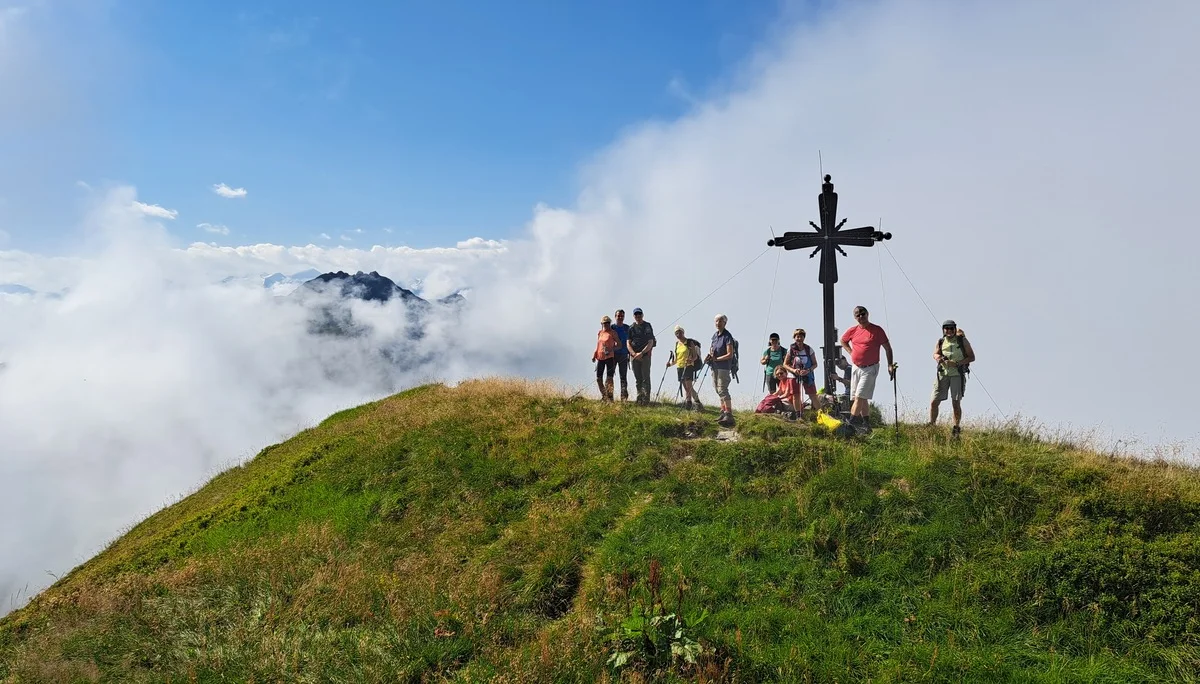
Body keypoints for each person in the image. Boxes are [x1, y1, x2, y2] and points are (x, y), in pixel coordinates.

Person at [839, 305, 895, 429]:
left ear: (867, 314)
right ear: (855, 317)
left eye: (863, 314)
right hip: (856, 367)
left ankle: (850, 423)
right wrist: (850, 352)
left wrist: (890, 365)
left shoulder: (877, 330)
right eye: (858, 315)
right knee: (860, 397)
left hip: (870, 367)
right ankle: (866, 424)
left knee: (859, 396)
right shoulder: (853, 330)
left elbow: (887, 348)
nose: (861, 317)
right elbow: (843, 340)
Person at [929, 319, 976, 437]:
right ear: (943, 330)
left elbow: (972, 357)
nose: (949, 330)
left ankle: (956, 427)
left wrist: (958, 363)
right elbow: (935, 353)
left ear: (955, 329)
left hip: (957, 375)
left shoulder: (962, 341)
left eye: (951, 328)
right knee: (934, 401)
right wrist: (939, 358)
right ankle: (932, 424)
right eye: (947, 328)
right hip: (943, 374)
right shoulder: (941, 341)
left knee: (956, 402)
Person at [707, 313, 737, 426]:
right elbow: (712, 348)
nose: (718, 323)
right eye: (716, 321)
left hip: (724, 366)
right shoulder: (715, 336)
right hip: (714, 366)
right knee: (716, 388)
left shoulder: (727, 336)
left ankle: (729, 414)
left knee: (722, 389)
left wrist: (717, 359)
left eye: (720, 321)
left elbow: (730, 354)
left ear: (725, 323)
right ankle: (723, 411)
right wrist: (710, 356)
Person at [782, 328, 820, 416]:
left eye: (801, 336)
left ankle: (820, 414)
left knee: (813, 394)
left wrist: (808, 370)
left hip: (807, 374)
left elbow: (815, 364)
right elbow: (785, 364)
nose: (799, 339)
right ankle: (798, 415)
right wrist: (794, 370)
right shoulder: (791, 349)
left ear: (804, 338)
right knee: (796, 395)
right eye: (797, 337)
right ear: (794, 338)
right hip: (794, 375)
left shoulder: (809, 349)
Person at [668, 325, 703, 410]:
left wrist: (691, 360)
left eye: (679, 332)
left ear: (683, 332)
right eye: (676, 333)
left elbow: (695, 356)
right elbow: (677, 359)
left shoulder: (689, 342)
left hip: (688, 366)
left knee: (689, 386)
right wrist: (670, 364)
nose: (678, 334)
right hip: (679, 367)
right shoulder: (677, 344)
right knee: (685, 386)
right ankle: (697, 401)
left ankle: (689, 403)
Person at [627, 307, 656, 405]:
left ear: (642, 315)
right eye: (636, 315)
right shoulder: (631, 327)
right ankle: (639, 398)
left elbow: (651, 342)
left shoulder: (647, 326)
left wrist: (642, 353)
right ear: (634, 316)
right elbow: (628, 342)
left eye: (639, 314)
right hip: (634, 356)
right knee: (638, 378)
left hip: (645, 356)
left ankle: (646, 399)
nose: (638, 316)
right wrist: (634, 354)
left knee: (645, 378)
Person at [592, 315, 620, 401]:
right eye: (605, 323)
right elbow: (598, 344)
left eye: (608, 323)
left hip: (609, 357)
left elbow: (619, 345)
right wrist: (594, 354)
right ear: (602, 324)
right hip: (600, 357)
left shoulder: (613, 332)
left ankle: (610, 397)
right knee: (598, 378)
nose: (606, 324)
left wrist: (611, 349)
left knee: (609, 378)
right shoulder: (600, 332)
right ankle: (604, 396)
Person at [611, 309, 632, 402]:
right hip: (613, 355)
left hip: (624, 355)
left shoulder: (627, 328)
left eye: (622, 316)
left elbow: (632, 340)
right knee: (610, 375)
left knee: (623, 377)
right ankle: (609, 396)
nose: (620, 317)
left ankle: (624, 398)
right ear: (615, 317)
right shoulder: (612, 327)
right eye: (618, 316)